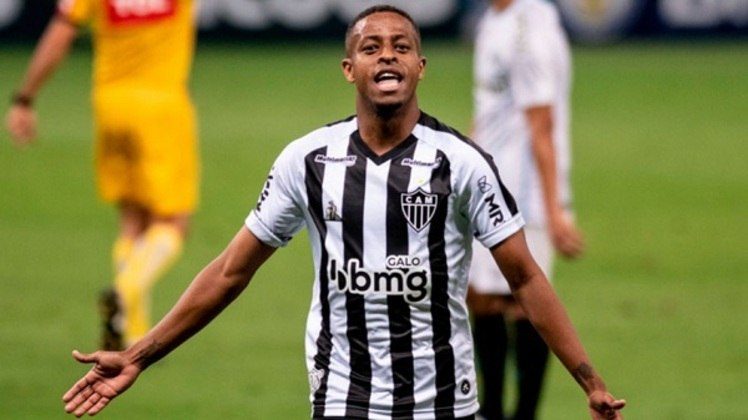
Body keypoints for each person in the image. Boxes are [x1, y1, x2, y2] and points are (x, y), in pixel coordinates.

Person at [61, 5, 624, 419]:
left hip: (444, 406)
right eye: (371, 46)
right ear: (349, 68)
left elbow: (526, 278)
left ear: (421, 66)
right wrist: (139, 355)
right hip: (343, 401)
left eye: (401, 46)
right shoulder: (307, 161)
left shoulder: (462, 163)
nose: (387, 54)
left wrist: (590, 382)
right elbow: (230, 272)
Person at [5, 0, 200, 350]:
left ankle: (133, 333)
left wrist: (25, 99)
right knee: (173, 223)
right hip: (161, 106)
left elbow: (61, 32)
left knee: (132, 218)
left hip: (110, 104)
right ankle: (125, 292)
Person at [468, 0, 585, 419]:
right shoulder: (493, 19)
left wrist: (555, 209)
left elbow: (542, 124)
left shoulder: (528, 32)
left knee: (524, 302)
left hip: (524, 191)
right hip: (488, 182)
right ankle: (492, 409)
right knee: (481, 295)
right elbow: (488, 111)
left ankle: (522, 414)